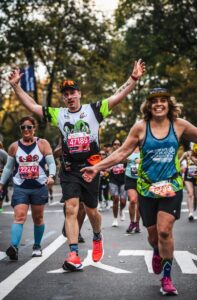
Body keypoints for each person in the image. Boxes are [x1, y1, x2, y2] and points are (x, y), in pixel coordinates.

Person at [8, 59, 146, 271]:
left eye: (73, 93)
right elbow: (32, 106)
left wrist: (134, 78)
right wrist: (16, 86)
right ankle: (73, 253)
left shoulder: (95, 110)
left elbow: (119, 94)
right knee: (71, 208)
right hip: (70, 169)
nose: (70, 97)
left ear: (79, 94)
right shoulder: (58, 114)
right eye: (66, 94)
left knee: (92, 211)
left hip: (91, 168)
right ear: (63, 98)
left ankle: (97, 236)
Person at [81, 87, 197, 295]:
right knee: (153, 236)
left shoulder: (179, 125)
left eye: (163, 100)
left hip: (171, 185)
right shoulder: (140, 127)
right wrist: (97, 167)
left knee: (165, 230)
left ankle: (167, 278)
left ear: (169, 104)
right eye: (155, 101)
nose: (159, 104)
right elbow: (121, 153)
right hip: (146, 188)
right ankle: (156, 250)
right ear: (149, 106)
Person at [0, 116, 56, 260]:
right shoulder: (14, 147)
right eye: (23, 127)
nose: (26, 130)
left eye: (29, 127)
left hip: (39, 186)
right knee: (19, 216)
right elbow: (8, 168)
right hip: (21, 187)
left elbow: (51, 163)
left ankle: (37, 246)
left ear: (34, 128)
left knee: (38, 218)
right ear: (20, 129)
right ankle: (14, 247)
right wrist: (1, 183)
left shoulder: (42, 144)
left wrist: (52, 176)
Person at [109, 139, 127, 227]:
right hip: (113, 180)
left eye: (118, 144)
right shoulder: (110, 155)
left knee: (123, 201)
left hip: (123, 180)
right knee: (115, 199)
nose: (117, 146)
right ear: (112, 145)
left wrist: (125, 168)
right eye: (115, 144)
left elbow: (130, 166)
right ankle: (115, 219)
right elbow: (105, 165)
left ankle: (121, 210)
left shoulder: (125, 155)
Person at [180, 147, 197, 221]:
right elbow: (178, 161)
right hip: (188, 175)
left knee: (196, 196)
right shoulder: (186, 153)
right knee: (190, 194)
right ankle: (190, 213)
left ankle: (194, 210)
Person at [125, 146, 140, 233]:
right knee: (133, 200)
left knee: (139, 203)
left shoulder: (144, 147)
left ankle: (137, 223)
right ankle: (132, 222)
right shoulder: (128, 147)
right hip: (130, 177)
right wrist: (125, 159)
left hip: (141, 178)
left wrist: (140, 161)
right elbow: (121, 158)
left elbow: (150, 160)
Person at [0, 144, 9, 212]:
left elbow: (8, 166)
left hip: (1, 176)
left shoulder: (3, 153)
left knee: (2, 192)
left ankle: (0, 207)